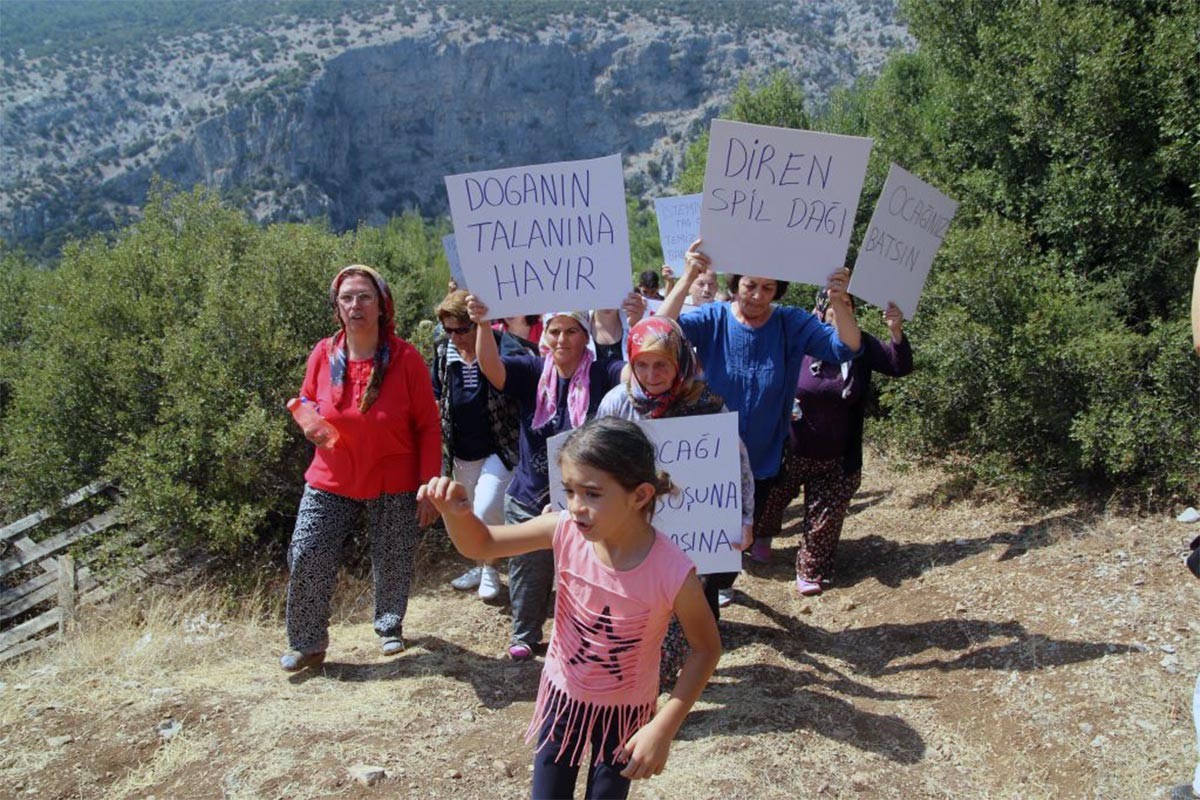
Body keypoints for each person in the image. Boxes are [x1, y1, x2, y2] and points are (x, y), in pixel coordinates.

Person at [418, 417, 721, 800]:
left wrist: (663, 727)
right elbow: (482, 544)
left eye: (592, 494)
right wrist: (456, 514)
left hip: (625, 715)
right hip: (563, 700)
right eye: (570, 491)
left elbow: (706, 648)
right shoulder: (561, 529)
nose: (576, 507)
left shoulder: (673, 570)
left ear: (640, 495)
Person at [655, 238, 863, 607]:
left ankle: (718, 584)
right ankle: (693, 603)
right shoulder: (714, 319)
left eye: (768, 288)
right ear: (736, 285)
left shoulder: (790, 323)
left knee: (737, 537)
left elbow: (845, 347)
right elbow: (661, 332)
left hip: (762, 458)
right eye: (750, 285)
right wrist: (686, 278)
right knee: (699, 535)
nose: (757, 296)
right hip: (704, 453)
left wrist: (838, 301)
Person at [280, 265, 441, 671]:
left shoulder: (406, 359)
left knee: (393, 553)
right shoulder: (322, 353)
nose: (356, 305)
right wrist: (309, 418)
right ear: (337, 307)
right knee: (308, 549)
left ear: (382, 305)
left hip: (395, 476)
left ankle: (389, 625)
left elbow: (427, 424)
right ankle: (308, 643)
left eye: (365, 296)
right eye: (347, 298)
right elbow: (307, 398)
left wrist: (428, 484)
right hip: (331, 474)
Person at [467, 298, 625, 660]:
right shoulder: (532, 370)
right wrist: (482, 324)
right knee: (527, 569)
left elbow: (636, 376)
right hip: (529, 494)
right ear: (546, 335)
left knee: (590, 573)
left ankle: (586, 638)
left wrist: (627, 319)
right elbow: (490, 367)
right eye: (554, 331)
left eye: (572, 331)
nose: (562, 339)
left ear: (586, 336)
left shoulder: (603, 372)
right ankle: (525, 634)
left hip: (587, 502)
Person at [758, 291, 913, 596]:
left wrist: (896, 331)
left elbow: (899, 366)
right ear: (820, 310)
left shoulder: (862, 345)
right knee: (772, 498)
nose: (840, 311)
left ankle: (810, 570)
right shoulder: (798, 340)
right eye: (834, 306)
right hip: (791, 448)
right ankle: (761, 536)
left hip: (838, 453)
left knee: (825, 515)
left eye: (847, 306)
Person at [596, 316, 755, 608]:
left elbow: (739, 464)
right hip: (634, 523)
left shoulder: (707, 405)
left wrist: (745, 519)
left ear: (680, 362)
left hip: (692, 533)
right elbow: (594, 459)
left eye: (661, 365)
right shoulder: (617, 403)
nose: (651, 375)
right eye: (641, 364)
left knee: (692, 600)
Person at [432, 290, 529, 601]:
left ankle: (490, 568)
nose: (456, 337)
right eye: (449, 330)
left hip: (499, 445)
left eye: (463, 329)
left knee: (488, 507)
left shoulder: (501, 347)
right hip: (462, 448)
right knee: (469, 511)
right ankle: (481, 563)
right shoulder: (442, 353)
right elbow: (438, 392)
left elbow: (522, 376)